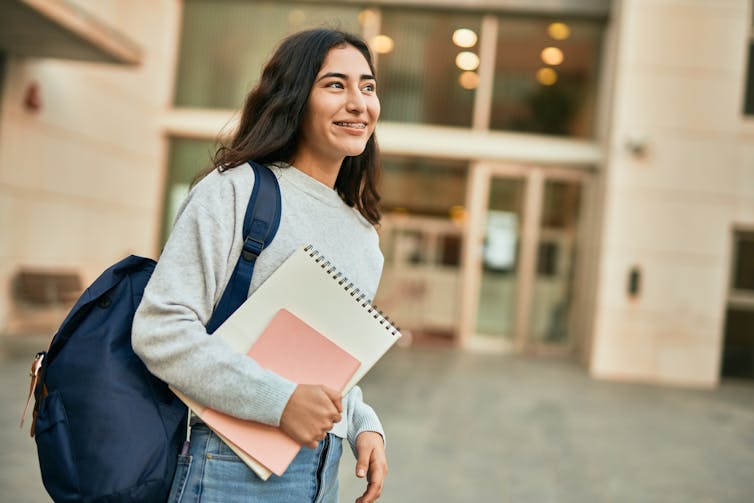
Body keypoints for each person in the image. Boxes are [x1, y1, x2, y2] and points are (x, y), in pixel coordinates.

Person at [132, 28, 387, 503]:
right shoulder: (234, 192)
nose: (358, 103)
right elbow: (159, 328)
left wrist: (362, 426)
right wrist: (280, 401)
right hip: (228, 465)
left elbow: (330, 363)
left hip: (323, 472)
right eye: (335, 85)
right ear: (293, 98)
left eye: (367, 87)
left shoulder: (363, 236)